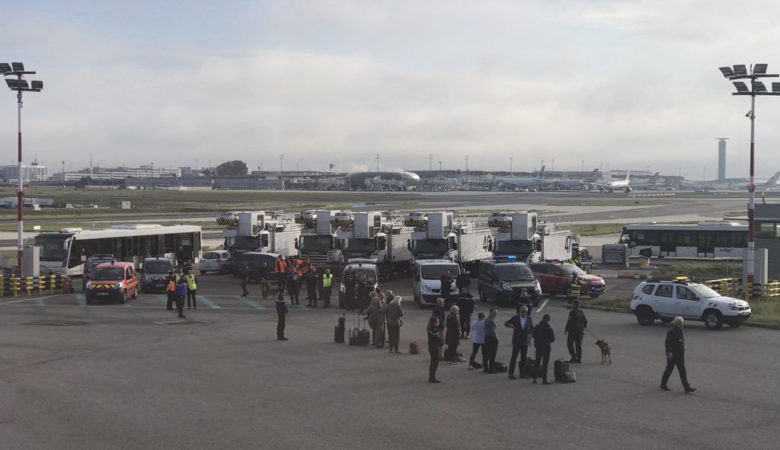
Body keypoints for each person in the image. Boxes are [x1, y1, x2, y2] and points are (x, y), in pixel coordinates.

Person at [661, 316, 695, 393]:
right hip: (673, 356)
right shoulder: (671, 332)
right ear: (678, 324)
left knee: (682, 371)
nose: (683, 324)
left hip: (680, 356)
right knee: (669, 370)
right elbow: (668, 343)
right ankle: (663, 384)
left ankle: (686, 387)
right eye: (681, 323)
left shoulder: (680, 331)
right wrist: (669, 352)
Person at [505, 305, 534, 379]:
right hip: (517, 340)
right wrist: (511, 325)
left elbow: (532, 328)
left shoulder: (529, 318)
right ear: (520, 311)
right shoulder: (515, 318)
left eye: (526, 312)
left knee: (523, 358)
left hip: (525, 341)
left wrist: (530, 334)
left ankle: (522, 373)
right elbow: (506, 323)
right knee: (514, 357)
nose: (524, 313)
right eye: (523, 311)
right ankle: (511, 373)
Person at [532, 314, 555, 384]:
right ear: (548, 320)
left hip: (538, 347)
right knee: (545, 364)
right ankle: (544, 379)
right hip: (546, 348)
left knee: (537, 362)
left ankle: (534, 378)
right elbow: (552, 339)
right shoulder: (549, 328)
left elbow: (533, 335)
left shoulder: (537, 327)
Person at [483, 308, 499, 373]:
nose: (495, 314)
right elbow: (493, 331)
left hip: (486, 338)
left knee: (486, 354)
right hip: (491, 338)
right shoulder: (491, 321)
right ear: (490, 312)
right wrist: (497, 339)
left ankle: (486, 368)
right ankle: (491, 369)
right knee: (492, 354)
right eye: (494, 312)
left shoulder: (487, 319)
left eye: (496, 312)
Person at [427, 316, 442, 383]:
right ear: (434, 322)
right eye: (437, 322)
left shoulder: (434, 329)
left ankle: (432, 376)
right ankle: (432, 377)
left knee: (434, 362)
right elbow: (437, 337)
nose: (438, 323)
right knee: (434, 362)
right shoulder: (432, 330)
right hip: (433, 347)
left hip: (434, 346)